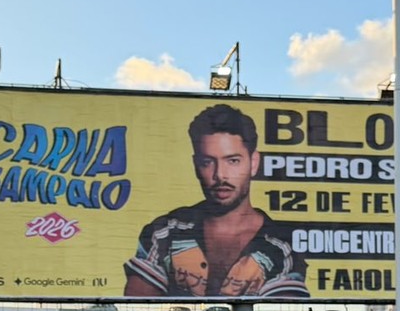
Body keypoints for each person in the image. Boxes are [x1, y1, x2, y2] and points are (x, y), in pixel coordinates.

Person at [123, 103, 310, 299]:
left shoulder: (282, 246)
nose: (220, 175)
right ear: (196, 166)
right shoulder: (165, 232)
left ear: (253, 163)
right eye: (207, 162)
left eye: (233, 161)